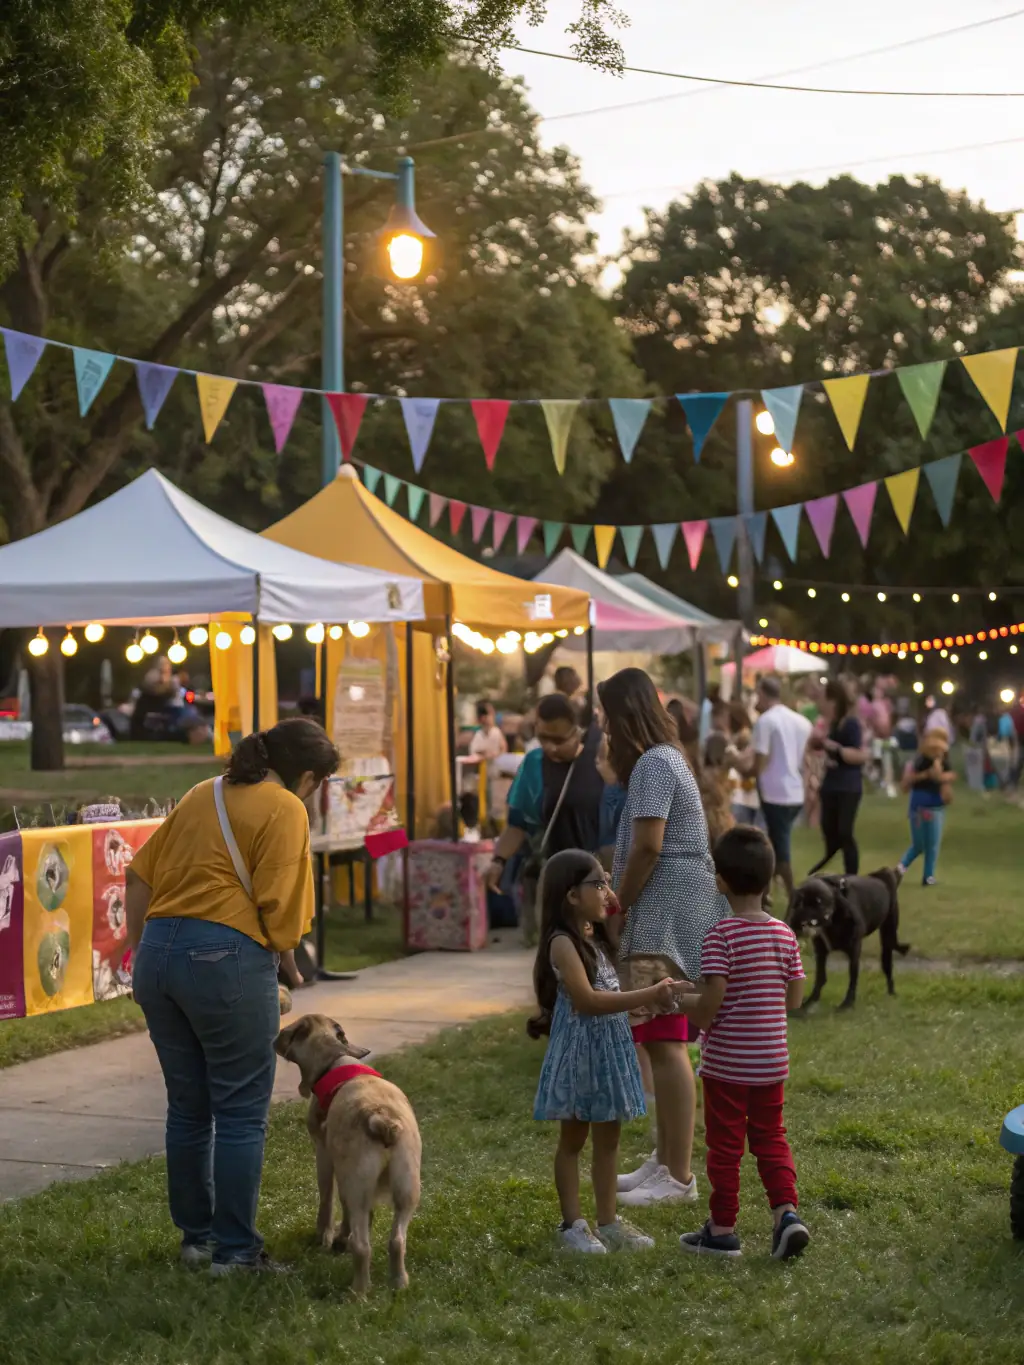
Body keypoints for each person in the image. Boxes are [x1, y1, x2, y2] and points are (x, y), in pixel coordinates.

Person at [127, 718, 340, 1274]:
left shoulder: (205, 793)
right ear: (310, 776)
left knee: (189, 1109)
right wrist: (289, 958)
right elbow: (282, 909)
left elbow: (138, 876)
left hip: (157, 955)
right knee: (242, 1113)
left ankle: (196, 1241)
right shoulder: (286, 807)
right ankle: (237, 1252)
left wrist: (139, 960)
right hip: (225, 960)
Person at [598, 668, 722, 1209]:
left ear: (623, 716)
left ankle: (677, 1175)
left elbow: (648, 847)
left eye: (606, 716)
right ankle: (665, 1160)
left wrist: (616, 904)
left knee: (667, 1044)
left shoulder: (653, 762)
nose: (603, 726)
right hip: (673, 910)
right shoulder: (666, 758)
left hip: (665, 915)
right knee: (658, 1039)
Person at [529, 848, 679, 1253]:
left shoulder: (593, 937)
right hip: (582, 1057)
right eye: (598, 884)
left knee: (609, 1141)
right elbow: (587, 1002)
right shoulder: (563, 943)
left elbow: (611, 981)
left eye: (607, 881)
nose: (607, 891)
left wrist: (610, 896)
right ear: (571, 895)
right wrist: (648, 993)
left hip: (608, 1053)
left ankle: (609, 1223)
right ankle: (572, 1226)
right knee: (573, 1141)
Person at [676, 825, 809, 1260]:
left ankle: (722, 1229)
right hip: (771, 1064)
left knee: (726, 1147)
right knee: (771, 1137)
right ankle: (786, 1215)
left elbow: (710, 1007)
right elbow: (794, 997)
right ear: (770, 881)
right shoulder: (785, 935)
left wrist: (680, 1000)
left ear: (720, 882)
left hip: (728, 1068)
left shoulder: (720, 935)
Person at [486, 693, 604, 945]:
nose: (551, 747)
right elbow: (518, 824)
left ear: (577, 730)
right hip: (555, 881)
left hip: (601, 880)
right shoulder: (533, 764)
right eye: (543, 738)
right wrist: (498, 861)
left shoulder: (600, 760)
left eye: (559, 739)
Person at [749, 676, 812, 904]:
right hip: (796, 791)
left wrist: (740, 766)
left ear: (764, 694)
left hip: (774, 792)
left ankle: (793, 892)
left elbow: (760, 763)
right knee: (775, 842)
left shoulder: (766, 721)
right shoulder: (802, 722)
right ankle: (766, 892)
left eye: (757, 695)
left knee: (778, 846)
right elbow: (806, 759)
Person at [807, 678, 867, 878]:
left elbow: (860, 755)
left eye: (822, 698)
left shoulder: (851, 724)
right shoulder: (832, 725)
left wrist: (835, 748)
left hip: (848, 786)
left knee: (845, 832)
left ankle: (852, 876)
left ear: (833, 701)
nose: (819, 703)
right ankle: (827, 860)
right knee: (828, 828)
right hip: (831, 784)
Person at [898, 730, 955, 885]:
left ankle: (913, 871)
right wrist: (933, 770)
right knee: (928, 844)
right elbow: (937, 776)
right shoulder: (921, 762)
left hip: (921, 805)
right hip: (930, 806)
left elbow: (948, 776)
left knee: (924, 844)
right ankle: (913, 872)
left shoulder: (920, 761)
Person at [469, 700, 508, 818]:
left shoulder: (496, 732)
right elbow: (474, 750)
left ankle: (492, 815)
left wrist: (495, 755)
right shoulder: (478, 734)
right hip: (482, 770)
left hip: (495, 769)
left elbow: (503, 748)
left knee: (493, 794)